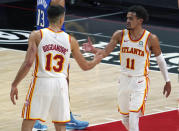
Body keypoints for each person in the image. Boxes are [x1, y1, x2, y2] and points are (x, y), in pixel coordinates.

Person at [10, 5, 102, 131]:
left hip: (41, 82)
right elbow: (85, 66)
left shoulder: (37, 35)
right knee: (60, 125)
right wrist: (96, 59)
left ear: (47, 18)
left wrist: (14, 84)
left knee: (29, 120)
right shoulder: (71, 40)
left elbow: (28, 63)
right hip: (61, 84)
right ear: (62, 19)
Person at [83, 5, 171, 131]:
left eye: (131, 18)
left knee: (134, 116)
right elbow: (105, 52)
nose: (127, 21)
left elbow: (160, 61)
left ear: (140, 21)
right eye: (127, 18)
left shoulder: (151, 38)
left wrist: (167, 81)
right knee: (125, 118)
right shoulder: (120, 35)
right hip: (123, 79)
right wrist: (93, 50)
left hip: (140, 81)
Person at [36, 0, 89, 130]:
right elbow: (56, 18)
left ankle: (36, 120)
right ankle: (65, 118)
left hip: (41, 38)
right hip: (54, 41)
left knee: (41, 81)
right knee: (62, 83)